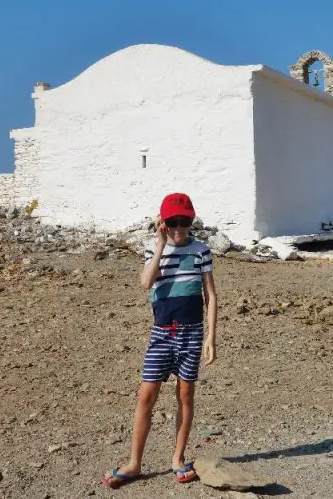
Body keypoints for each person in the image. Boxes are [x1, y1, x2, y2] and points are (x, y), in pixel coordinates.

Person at [100, 192, 218, 489]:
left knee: (186, 395)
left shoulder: (201, 250)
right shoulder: (153, 250)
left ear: (192, 221)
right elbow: (145, 282)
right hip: (162, 333)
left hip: (192, 333)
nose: (180, 227)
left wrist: (211, 338)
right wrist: (160, 245)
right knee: (146, 395)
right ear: (163, 222)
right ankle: (135, 463)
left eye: (185, 221)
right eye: (173, 221)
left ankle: (178, 459)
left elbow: (211, 296)